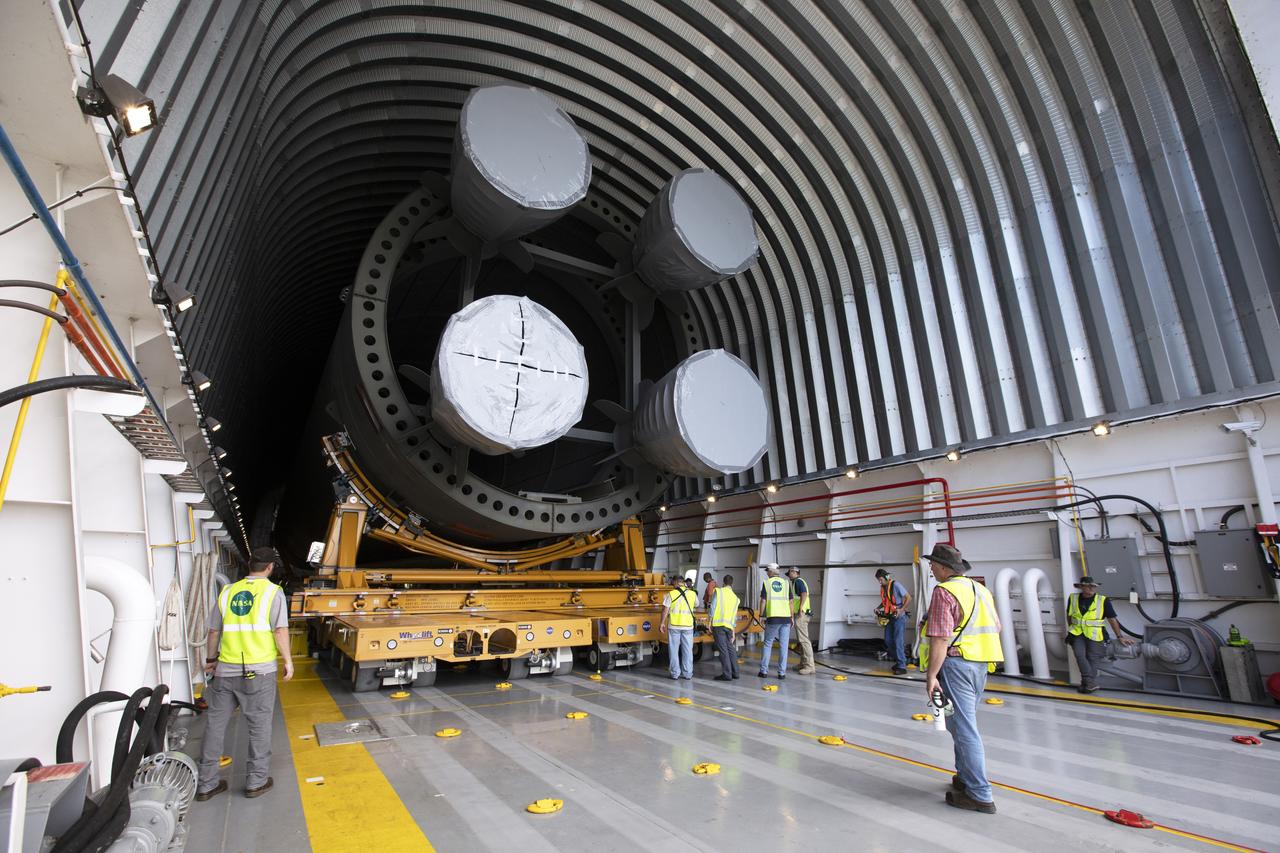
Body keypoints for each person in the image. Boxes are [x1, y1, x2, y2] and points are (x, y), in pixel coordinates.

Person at [196, 546, 294, 801]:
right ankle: (255, 782)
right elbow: (280, 631)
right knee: (259, 727)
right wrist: (288, 661)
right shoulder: (274, 593)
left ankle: (206, 785)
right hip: (259, 671)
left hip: (225, 671)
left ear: (249, 565)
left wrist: (211, 659)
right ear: (270, 568)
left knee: (215, 727)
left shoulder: (228, 591)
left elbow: (214, 632)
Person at [922, 543, 1003, 814]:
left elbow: (940, 638)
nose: (931, 567)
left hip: (956, 664)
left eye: (933, 564)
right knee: (959, 723)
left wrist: (931, 675)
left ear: (945, 568)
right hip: (981, 664)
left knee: (965, 728)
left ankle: (980, 794)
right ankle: (966, 778)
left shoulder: (944, 592)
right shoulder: (981, 590)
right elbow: (997, 626)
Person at [1066, 575, 1135, 693]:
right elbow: (1069, 615)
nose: (1092, 588)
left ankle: (1087, 684)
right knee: (1079, 655)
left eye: (1093, 586)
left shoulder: (1102, 600)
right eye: (1089, 586)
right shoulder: (1073, 598)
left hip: (1095, 633)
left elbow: (1112, 619)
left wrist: (1120, 637)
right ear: (1082, 587)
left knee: (1093, 658)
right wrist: (1071, 628)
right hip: (1077, 632)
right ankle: (1090, 682)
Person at [756, 563, 794, 679]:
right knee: (784, 645)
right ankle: (782, 673)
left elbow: (763, 601)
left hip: (773, 618)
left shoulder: (767, 583)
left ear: (771, 571)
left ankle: (764, 672)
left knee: (768, 644)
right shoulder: (786, 583)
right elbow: (791, 602)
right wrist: (791, 617)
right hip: (786, 618)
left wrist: (761, 616)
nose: (767, 573)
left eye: (768, 571)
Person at [875, 568, 912, 674]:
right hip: (890, 617)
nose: (880, 582)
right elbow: (886, 601)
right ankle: (901, 660)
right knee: (888, 640)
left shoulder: (896, 585)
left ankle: (901, 666)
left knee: (898, 640)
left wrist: (901, 610)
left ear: (886, 577)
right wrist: (878, 607)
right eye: (878, 580)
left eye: (881, 579)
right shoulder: (884, 587)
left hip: (899, 617)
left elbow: (908, 598)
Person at [660, 575, 697, 680]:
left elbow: (665, 610)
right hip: (688, 627)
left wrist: (662, 623)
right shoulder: (692, 593)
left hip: (674, 626)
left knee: (674, 650)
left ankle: (675, 673)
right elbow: (697, 604)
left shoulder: (671, 594)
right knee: (687, 651)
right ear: (683, 582)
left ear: (676, 582)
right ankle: (688, 674)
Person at [709, 574, 741, 681]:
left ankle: (727, 674)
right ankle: (735, 673)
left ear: (723, 582)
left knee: (723, 650)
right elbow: (734, 616)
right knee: (730, 648)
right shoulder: (736, 598)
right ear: (732, 583)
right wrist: (733, 630)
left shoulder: (719, 591)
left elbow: (713, 607)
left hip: (719, 625)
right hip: (729, 626)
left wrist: (710, 622)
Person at [785, 567, 816, 675]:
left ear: (795, 572)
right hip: (802, 613)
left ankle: (809, 666)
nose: (788, 576)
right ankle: (803, 663)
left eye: (789, 573)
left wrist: (799, 609)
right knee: (801, 640)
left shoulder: (798, 582)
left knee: (804, 640)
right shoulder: (795, 582)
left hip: (801, 614)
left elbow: (804, 594)